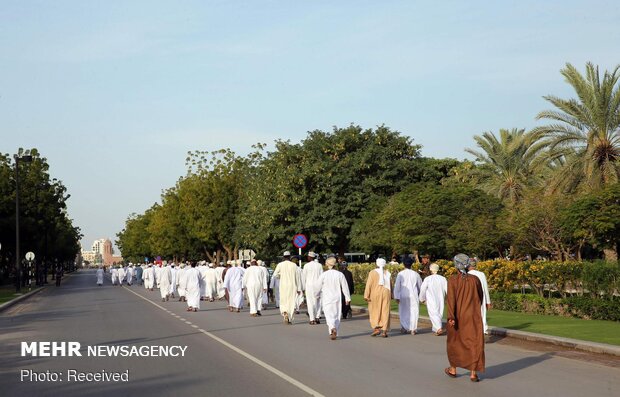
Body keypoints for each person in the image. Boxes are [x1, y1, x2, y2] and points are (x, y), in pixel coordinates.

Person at [445, 254, 485, 382]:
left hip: (457, 316)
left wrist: (451, 316)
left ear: (455, 265)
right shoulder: (475, 280)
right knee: (474, 342)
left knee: (454, 342)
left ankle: (453, 369)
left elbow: (451, 300)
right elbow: (480, 296)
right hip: (473, 316)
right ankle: (473, 373)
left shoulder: (452, 280)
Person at [315, 257, 351, 340]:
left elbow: (317, 287)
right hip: (337, 298)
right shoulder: (340, 274)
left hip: (327, 298)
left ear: (327, 264)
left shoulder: (324, 275)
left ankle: (332, 328)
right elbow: (345, 287)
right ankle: (334, 331)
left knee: (328, 315)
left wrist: (316, 295)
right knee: (337, 315)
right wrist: (347, 298)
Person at [394, 257, 422, 335]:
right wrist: (420, 294)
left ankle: (404, 327)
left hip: (403, 295)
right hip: (413, 295)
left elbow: (397, 286)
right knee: (414, 311)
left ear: (403, 264)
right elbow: (420, 285)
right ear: (411, 264)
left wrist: (396, 296)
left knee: (403, 311)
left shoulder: (400, 274)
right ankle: (413, 329)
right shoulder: (416, 274)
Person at [363, 258, 391, 337]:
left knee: (374, 311)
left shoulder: (372, 272)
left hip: (375, 293)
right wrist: (392, 295)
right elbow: (391, 285)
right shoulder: (387, 273)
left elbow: (369, 284)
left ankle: (376, 328)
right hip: (386, 293)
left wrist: (366, 295)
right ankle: (384, 330)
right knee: (385, 311)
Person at [272, 251, 302, 324]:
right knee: (291, 301)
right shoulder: (294, 265)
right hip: (292, 285)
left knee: (283, 300)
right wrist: (298, 288)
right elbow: (297, 278)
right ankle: (290, 317)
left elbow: (275, 275)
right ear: (290, 257)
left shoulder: (280, 265)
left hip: (283, 285)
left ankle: (284, 312)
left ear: (283, 257)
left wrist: (280, 275)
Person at [419, 263, 448, 335]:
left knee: (433, 313)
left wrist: (421, 298)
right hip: (441, 298)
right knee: (439, 313)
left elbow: (423, 289)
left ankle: (438, 328)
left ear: (431, 270)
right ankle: (436, 328)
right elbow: (448, 289)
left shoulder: (428, 279)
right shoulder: (443, 278)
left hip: (431, 299)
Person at [467, 258, 492, 334]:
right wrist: (488, 302)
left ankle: (475, 329)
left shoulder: (466, 275)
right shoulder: (481, 274)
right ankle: (483, 329)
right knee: (482, 312)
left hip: (470, 297)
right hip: (481, 296)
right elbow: (485, 288)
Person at [302, 252, 323, 325]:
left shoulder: (306, 266)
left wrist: (303, 288)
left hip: (309, 286)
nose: (307, 258)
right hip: (318, 286)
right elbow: (321, 277)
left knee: (310, 303)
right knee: (318, 302)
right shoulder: (319, 265)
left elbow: (303, 278)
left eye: (308, 256)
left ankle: (312, 319)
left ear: (310, 257)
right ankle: (317, 317)